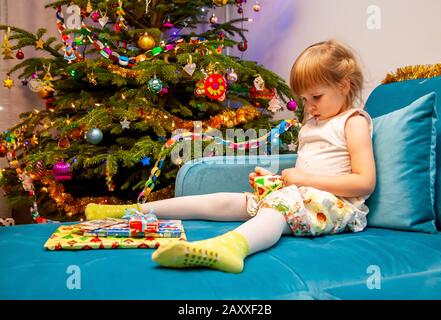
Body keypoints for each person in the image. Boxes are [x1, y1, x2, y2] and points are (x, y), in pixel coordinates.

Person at [85, 39, 376, 274]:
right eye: (304, 100)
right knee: (230, 199)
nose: (309, 106)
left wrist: (301, 180)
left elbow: (364, 183)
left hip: (338, 208)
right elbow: (306, 170)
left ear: (344, 85)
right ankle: (133, 212)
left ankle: (230, 247)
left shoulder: (353, 122)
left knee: (276, 209)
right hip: (302, 197)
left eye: (316, 97)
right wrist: (277, 180)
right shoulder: (313, 124)